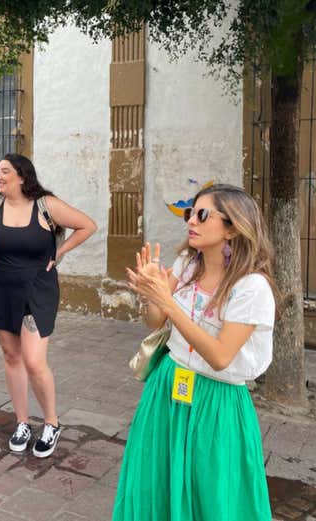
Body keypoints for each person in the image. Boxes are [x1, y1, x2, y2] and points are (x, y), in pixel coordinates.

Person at [113, 184, 277, 520]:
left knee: (212, 496)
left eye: (203, 215)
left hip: (216, 400)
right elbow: (154, 322)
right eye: (190, 213)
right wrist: (150, 293)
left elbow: (220, 356)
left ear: (232, 226)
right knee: (156, 482)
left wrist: (168, 302)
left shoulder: (251, 287)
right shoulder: (188, 263)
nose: (192, 221)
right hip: (168, 386)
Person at [0, 154, 97, 458]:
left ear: (22, 176)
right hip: (2, 287)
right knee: (11, 356)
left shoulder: (45, 205)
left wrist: (60, 251)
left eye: (4, 172)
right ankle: (22, 423)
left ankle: (51, 423)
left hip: (37, 289)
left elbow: (87, 225)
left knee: (34, 361)